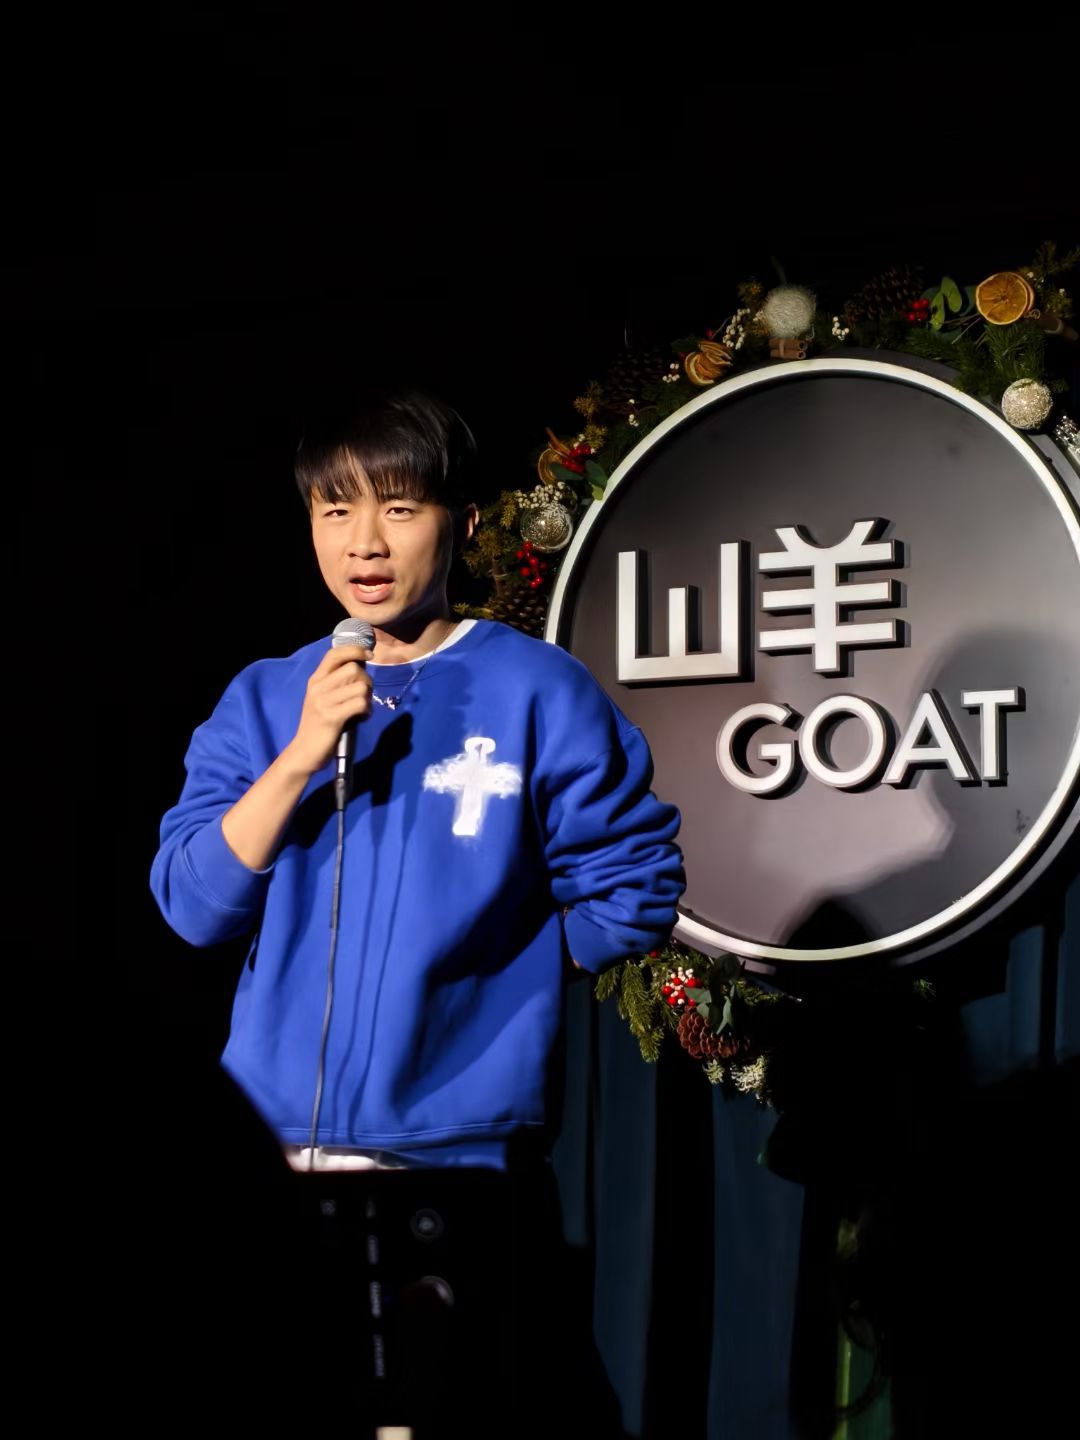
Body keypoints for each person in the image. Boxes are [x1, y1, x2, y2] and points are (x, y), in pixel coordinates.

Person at [150, 388, 684, 1174]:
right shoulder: (266, 697)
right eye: (336, 512)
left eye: (398, 510)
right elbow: (193, 907)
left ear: (462, 524)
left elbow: (634, 884)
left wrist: (511, 983)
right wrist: (301, 753)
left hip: (457, 1148)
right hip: (265, 1138)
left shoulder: (537, 688)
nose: (364, 544)